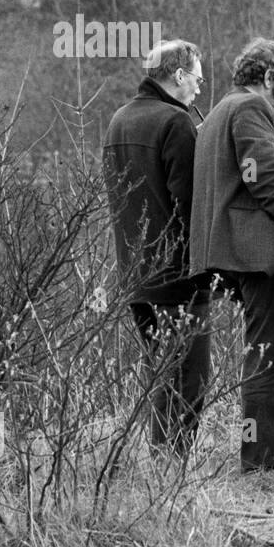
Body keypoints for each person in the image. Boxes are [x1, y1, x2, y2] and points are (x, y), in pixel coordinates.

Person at [190, 38, 274, 472]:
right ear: (268, 78)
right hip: (263, 251)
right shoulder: (251, 109)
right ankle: (264, 459)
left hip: (238, 250)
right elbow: (263, 172)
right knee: (270, 352)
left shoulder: (219, 111)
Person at [102, 39, 211, 454]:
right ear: (179, 75)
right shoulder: (175, 123)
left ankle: (162, 470)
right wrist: (207, 268)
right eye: (197, 79)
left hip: (134, 274)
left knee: (163, 375)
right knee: (191, 377)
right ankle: (171, 467)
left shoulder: (118, 120)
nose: (199, 89)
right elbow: (190, 204)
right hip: (177, 276)